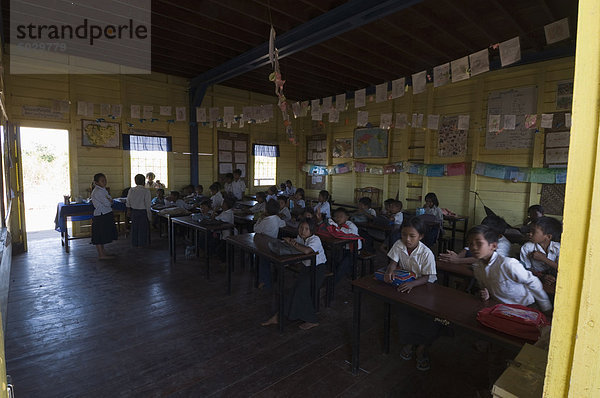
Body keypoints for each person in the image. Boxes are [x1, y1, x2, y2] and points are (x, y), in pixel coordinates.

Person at [383, 217, 437, 371]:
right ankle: (409, 342)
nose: (407, 239)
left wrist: (413, 284)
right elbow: (393, 262)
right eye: (404, 235)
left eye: (412, 236)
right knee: (405, 314)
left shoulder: (427, 253)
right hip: (407, 282)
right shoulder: (399, 245)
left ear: (421, 236)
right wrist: (389, 271)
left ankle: (420, 348)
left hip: (425, 286)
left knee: (423, 317)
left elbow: (427, 277)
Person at [469, 225, 552, 314]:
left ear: (493, 246)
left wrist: (546, 308)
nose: (473, 247)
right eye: (470, 244)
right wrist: (486, 294)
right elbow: (484, 287)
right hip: (501, 309)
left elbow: (533, 282)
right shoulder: (477, 267)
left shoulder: (508, 264)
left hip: (526, 307)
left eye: (479, 243)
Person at [261, 219, 327, 330]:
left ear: (312, 230)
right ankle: (278, 316)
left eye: (306, 229)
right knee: (293, 291)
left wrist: (292, 243)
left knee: (301, 290)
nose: (303, 231)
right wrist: (290, 243)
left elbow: (306, 251)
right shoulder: (300, 238)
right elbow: (296, 250)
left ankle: (312, 320)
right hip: (306, 269)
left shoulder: (315, 239)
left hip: (318, 269)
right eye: (301, 228)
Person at [255, 199, 286, 290]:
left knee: (264, 262)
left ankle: (265, 282)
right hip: (273, 244)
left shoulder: (265, 220)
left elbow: (256, 229)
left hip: (263, 245)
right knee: (265, 262)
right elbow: (283, 224)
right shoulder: (277, 219)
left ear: (266, 210)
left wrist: (260, 219)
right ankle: (266, 280)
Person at [326, 207, 362, 283]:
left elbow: (351, 234)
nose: (338, 218)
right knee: (334, 260)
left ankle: (333, 283)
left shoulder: (350, 225)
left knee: (342, 266)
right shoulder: (336, 225)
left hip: (354, 250)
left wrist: (339, 228)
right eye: (336, 216)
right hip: (344, 249)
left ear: (347, 217)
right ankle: (349, 271)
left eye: (341, 216)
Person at [90, 173, 118, 260]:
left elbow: (110, 200)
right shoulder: (98, 192)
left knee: (102, 234)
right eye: (102, 180)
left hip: (105, 214)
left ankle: (103, 252)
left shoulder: (102, 190)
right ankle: (101, 254)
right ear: (96, 182)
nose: (105, 182)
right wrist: (110, 201)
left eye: (105, 180)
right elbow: (108, 203)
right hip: (101, 215)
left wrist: (110, 201)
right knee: (99, 235)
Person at [126, 174, 152, 247]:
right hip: (143, 212)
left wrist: (128, 210)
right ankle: (142, 244)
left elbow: (128, 201)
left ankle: (134, 243)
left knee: (134, 228)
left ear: (135, 181)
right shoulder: (146, 191)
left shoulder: (131, 190)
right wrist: (149, 216)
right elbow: (148, 204)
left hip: (134, 211)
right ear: (144, 181)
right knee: (143, 229)